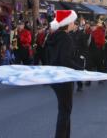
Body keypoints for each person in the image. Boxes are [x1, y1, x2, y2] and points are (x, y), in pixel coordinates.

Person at [45, 10, 82, 138]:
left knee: (64, 109)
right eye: (72, 21)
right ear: (67, 22)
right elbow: (65, 60)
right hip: (64, 77)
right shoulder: (66, 38)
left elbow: (49, 57)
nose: (74, 23)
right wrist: (80, 69)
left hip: (55, 77)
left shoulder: (53, 36)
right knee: (65, 111)